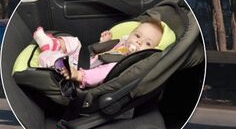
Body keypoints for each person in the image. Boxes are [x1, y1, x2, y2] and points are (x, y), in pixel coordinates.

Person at [32, 20, 164, 88]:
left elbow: (101, 74)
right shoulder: (122, 43)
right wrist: (104, 42)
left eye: (147, 44)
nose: (139, 42)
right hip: (84, 58)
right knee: (75, 42)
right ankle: (53, 44)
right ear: (130, 35)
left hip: (80, 71)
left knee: (45, 56)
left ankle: (58, 63)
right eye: (137, 35)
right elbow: (103, 51)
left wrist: (78, 75)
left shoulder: (124, 63)